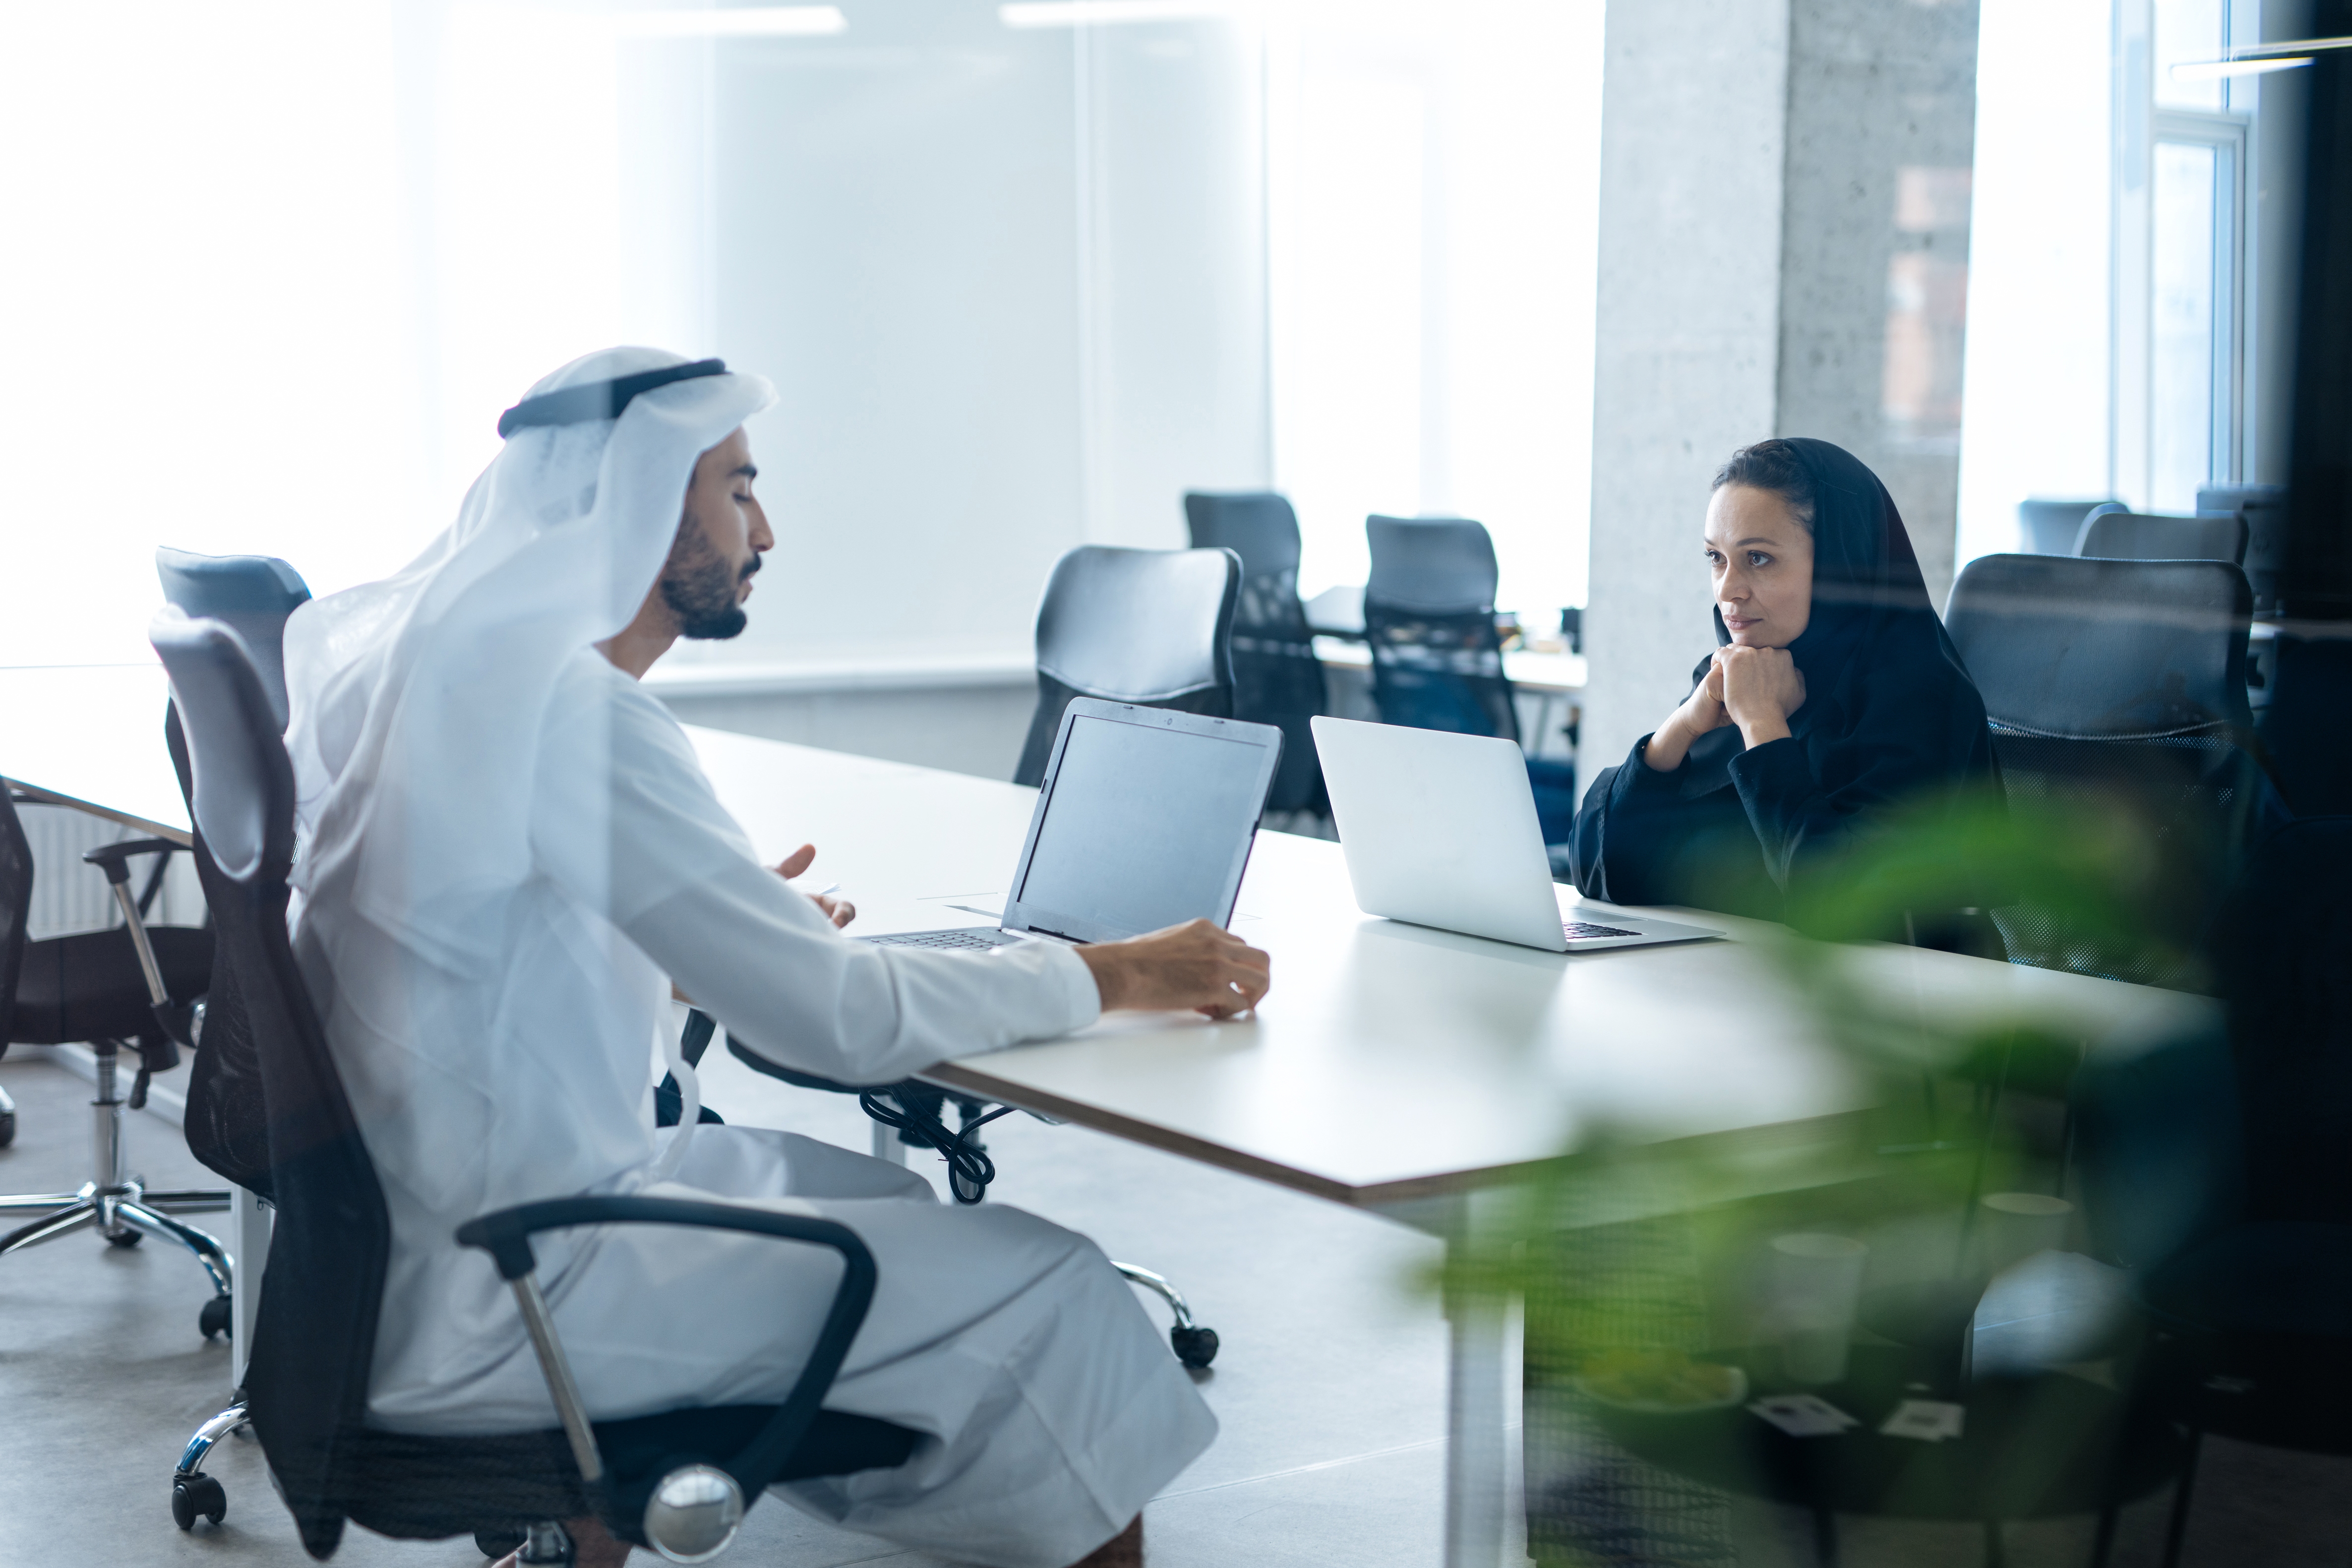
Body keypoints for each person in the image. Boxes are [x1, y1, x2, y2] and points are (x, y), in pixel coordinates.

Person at [280, 347, 1270, 1568]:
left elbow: (480, 930)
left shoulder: (455, 676)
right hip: (520, 1281)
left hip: (428, 1247)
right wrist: (1115, 973)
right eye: (738, 487)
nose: (767, 527)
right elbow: (836, 1021)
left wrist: (703, 932)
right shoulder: (577, 709)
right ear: (634, 505)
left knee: (892, 1208)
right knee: (1056, 1292)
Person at [1561, 437, 1997, 917]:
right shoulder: (1742, 674)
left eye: (1758, 559)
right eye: (1716, 558)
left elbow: (1851, 909)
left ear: (1839, 564)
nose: (1728, 590)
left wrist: (1764, 728)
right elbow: (1597, 866)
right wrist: (1683, 727)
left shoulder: (1920, 698)